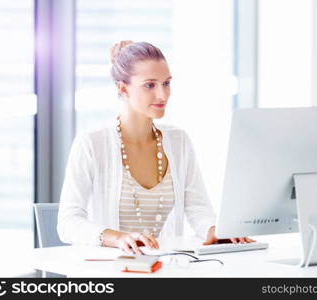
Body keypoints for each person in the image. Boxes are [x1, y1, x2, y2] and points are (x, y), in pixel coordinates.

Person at [57, 40, 254, 254]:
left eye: (167, 83)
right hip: (109, 272)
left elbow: (198, 209)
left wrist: (214, 230)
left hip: (163, 269)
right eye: (150, 85)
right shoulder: (91, 144)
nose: (163, 95)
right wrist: (118, 238)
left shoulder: (179, 141)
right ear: (123, 89)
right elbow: (68, 223)